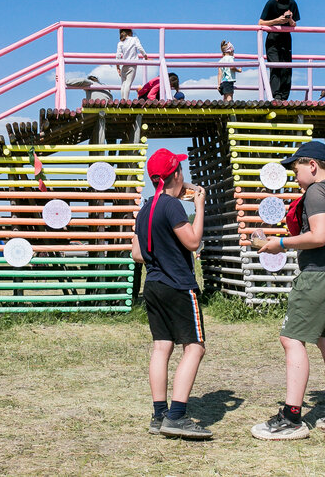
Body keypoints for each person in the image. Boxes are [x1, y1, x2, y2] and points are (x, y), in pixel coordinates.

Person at [251, 141, 325, 441]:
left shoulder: (315, 192)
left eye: (296, 168)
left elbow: (319, 235)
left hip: (319, 274)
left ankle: (291, 418)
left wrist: (280, 243)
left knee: (291, 338)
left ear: (312, 165)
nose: (294, 176)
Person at [131, 148, 210, 439]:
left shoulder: (146, 208)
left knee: (162, 347)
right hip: (178, 285)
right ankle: (176, 416)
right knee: (195, 347)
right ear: (176, 173)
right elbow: (193, 242)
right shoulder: (173, 207)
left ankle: (159, 414)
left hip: (153, 285)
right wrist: (199, 205)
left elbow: (137, 253)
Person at [259, 0, 300, 101]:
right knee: (275, 66)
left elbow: (294, 24)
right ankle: (276, 95)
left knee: (287, 67)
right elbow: (260, 22)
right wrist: (277, 21)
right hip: (272, 37)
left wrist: (290, 20)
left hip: (286, 37)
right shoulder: (270, 3)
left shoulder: (292, 3)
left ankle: (284, 97)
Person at [116, 29, 148, 100]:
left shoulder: (121, 42)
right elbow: (140, 48)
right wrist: (145, 55)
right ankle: (125, 99)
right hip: (132, 65)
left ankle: (122, 99)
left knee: (123, 84)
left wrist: (118, 67)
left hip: (124, 65)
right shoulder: (134, 39)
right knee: (128, 83)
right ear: (130, 32)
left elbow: (118, 56)